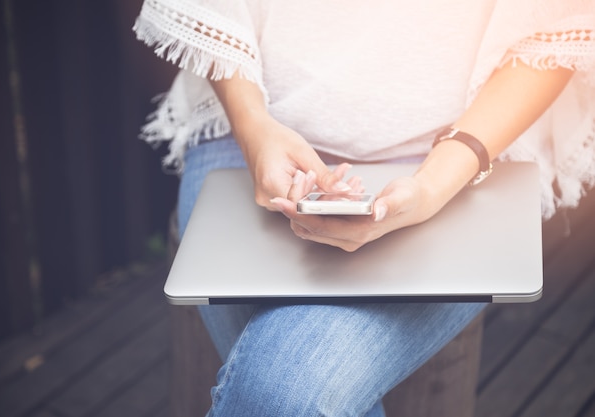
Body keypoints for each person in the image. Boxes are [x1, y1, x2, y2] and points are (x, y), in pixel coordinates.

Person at [134, 1, 595, 415]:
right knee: (283, 398)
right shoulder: (249, 130)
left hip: (465, 152)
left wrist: (432, 186)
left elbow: (555, 27)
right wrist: (254, 130)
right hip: (244, 129)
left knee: (283, 396)